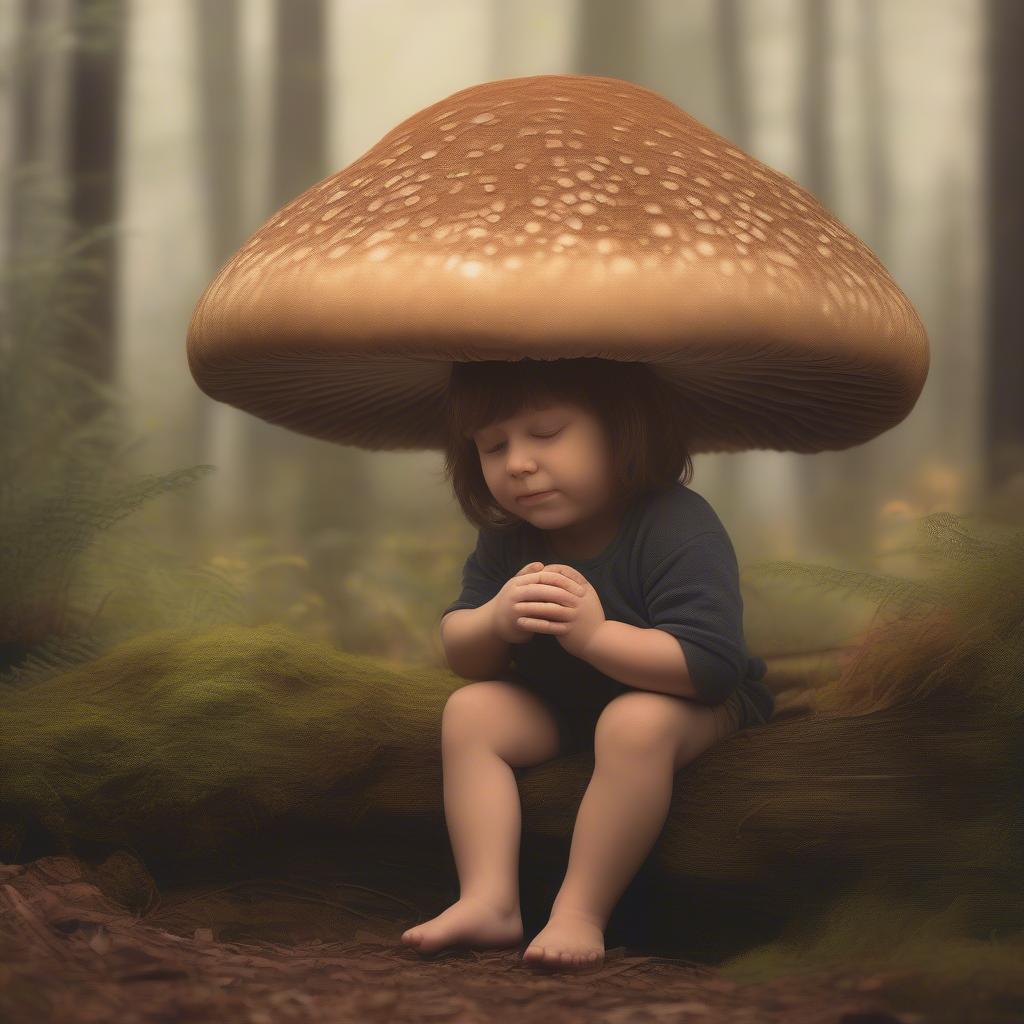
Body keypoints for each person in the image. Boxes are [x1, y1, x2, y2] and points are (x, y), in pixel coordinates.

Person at [401, 357, 773, 971]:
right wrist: (494, 619)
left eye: (545, 434)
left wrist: (595, 637)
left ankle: (579, 910)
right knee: (471, 712)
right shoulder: (509, 538)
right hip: (568, 703)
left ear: (624, 429)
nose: (518, 462)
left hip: (687, 703)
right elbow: (463, 653)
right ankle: (489, 899)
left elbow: (709, 665)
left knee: (633, 722)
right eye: (494, 447)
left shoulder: (674, 523)